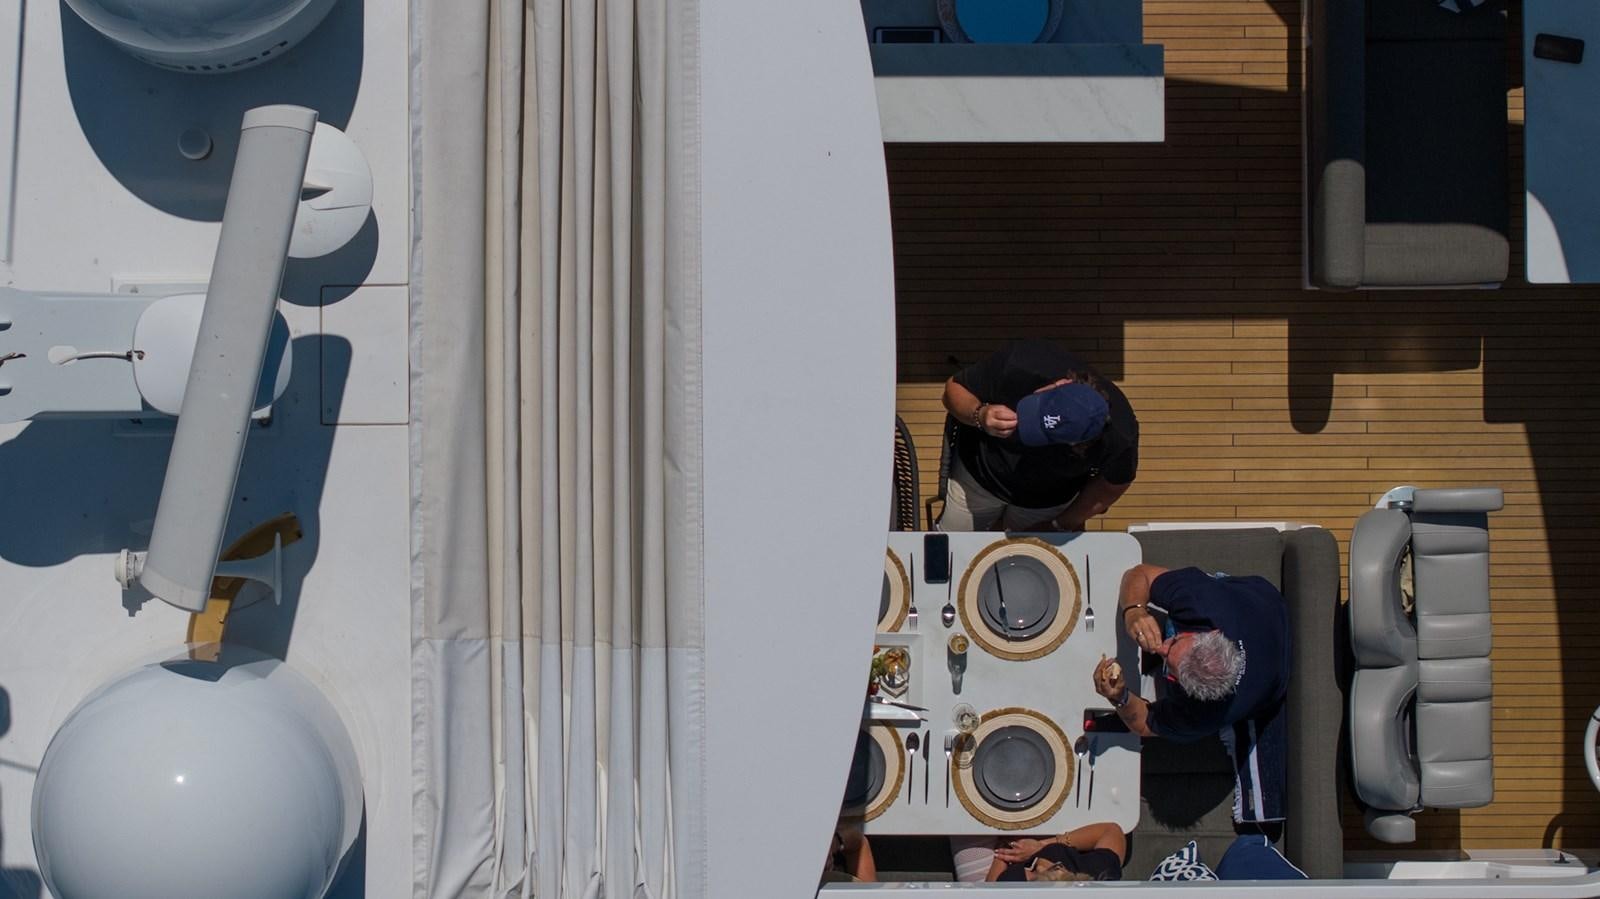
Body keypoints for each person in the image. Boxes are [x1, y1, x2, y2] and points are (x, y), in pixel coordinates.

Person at [1092, 563, 1292, 823]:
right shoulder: (1205, 602)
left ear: (1188, 691)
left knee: (1109, 700)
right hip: (1264, 600)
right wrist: (1134, 612)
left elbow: (1143, 723)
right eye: (1174, 642)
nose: (1160, 649)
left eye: (1169, 668)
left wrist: (1118, 697)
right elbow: (1138, 573)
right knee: (1116, 606)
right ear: (1213, 632)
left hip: (1272, 677)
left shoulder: (1204, 714)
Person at [939, 339, 1139, 532]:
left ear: (1078, 444)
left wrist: (1061, 524)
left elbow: (1112, 485)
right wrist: (979, 414)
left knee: (1028, 564)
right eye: (1036, 408)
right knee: (949, 551)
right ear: (1060, 383)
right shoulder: (1024, 361)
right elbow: (953, 389)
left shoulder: (1120, 436)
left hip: (1047, 502)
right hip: (978, 476)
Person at [985, 822, 1126, 882]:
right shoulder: (1099, 872)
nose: (1037, 869)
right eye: (1052, 869)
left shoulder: (1009, 886)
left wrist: (1007, 847)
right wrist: (1041, 846)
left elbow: (990, 890)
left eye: (1033, 877)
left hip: (1003, 848)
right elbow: (1111, 831)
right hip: (1064, 832)